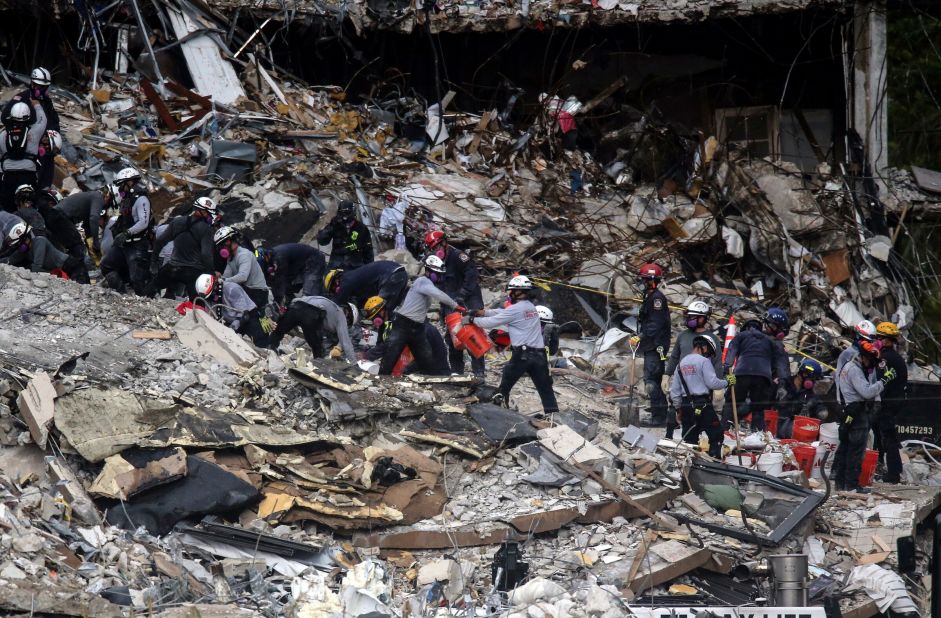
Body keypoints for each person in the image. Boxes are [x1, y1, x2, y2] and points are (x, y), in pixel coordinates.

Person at [467, 275, 559, 416]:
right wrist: (483, 312)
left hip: (522, 355)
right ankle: (554, 418)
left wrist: (472, 319)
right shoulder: (530, 308)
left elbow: (492, 322)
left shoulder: (516, 309)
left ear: (518, 291)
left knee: (505, 386)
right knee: (545, 389)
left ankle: (500, 414)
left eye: (512, 291)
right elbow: (503, 313)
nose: (510, 293)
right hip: (540, 356)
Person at [378, 255, 465, 375]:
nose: (438, 277)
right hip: (403, 324)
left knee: (426, 358)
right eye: (436, 273)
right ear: (428, 271)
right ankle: (381, 380)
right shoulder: (422, 281)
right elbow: (438, 294)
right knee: (391, 355)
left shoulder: (427, 285)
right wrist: (455, 305)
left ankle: (432, 381)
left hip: (417, 327)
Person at [832, 341, 895, 493]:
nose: (872, 366)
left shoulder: (850, 366)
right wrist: (883, 381)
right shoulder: (854, 370)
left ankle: (841, 484)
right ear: (865, 357)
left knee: (846, 448)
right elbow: (866, 392)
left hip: (849, 411)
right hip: (856, 413)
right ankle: (852, 485)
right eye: (872, 362)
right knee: (855, 451)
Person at [425, 230, 486, 377]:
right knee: (453, 338)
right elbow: (439, 284)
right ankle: (457, 371)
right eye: (433, 249)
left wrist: (462, 294)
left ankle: (479, 372)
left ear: (444, 243)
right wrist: (444, 308)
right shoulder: (435, 261)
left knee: (471, 335)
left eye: (438, 247)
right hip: (450, 302)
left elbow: (472, 276)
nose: (436, 251)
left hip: (469, 300)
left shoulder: (459, 256)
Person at [722, 311, 789, 431]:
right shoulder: (772, 342)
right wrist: (782, 385)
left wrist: (728, 375)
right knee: (758, 409)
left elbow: (730, 356)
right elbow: (782, 365)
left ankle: (724, 431)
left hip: (741, 373)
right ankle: (757, 435)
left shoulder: (741, 336)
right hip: (763, 377)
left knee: (731, 403)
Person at [665, 299, 722, 438]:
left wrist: (718, 387)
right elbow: (674, 357)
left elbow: (717, 362)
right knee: (674, 409)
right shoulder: (683, 336)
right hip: (683, 383)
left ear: (703, 318)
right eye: (689, 316)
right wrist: (666, 374)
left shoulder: (711, 338)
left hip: (701, 388)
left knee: (702, 419)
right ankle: (669, 438)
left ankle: (701, 442)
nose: (689, 320)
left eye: (693, 317)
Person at [668, 335, 729, 457]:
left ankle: (690, 464)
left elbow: (674, 391)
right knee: (716, 434)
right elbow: (712, 383)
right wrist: (727, 381)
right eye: (709, 352)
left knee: (689, 439)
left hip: (686, 405)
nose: (708, 356)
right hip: (702, 404)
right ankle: (713, 463)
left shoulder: (680, 364)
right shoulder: (704, 362)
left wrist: (678, 409)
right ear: (704, 347)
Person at [149, 197, 217, 298]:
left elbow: (160, 241)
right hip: (193, 272)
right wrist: (211, 273)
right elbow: (206, 255)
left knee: (149, 292)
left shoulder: (177, 222)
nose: (210, 216)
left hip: (172, 268)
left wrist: (154, 261)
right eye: (209, 213)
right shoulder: (206, 229)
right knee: (197, 303)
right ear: (203, 211)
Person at [2, 68, 58, 190]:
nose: (41, 90)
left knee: (47, 162)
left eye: (44, 87)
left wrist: (51, 137)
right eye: (39, 87)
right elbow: (5, 117)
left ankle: (43, 191)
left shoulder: (47, 102)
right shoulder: (21, 98)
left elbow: (53, 121)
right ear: (32, 84)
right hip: (26, 143)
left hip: (43, 144)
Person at [629, 263, 670, 425]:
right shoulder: (651, 296)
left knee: (652, 381)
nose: (641, 282)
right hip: (651, 344)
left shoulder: (657, 299)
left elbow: (655, 323)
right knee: (652, 379)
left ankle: (659, 417)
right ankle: (658, 413)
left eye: (643, 279)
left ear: (650, 280)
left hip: (656, 345)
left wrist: (640, 336)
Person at [101, 167, 152, 295]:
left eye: (122, 185)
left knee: (137, 280)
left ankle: (148, 303)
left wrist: (127, 233)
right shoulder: (127, 199)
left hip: (137, 245)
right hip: (124, 244)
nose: (120, 188)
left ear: (129, 183)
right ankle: (121, 294)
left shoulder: (141, 199)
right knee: (106, 265)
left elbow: (143, 222)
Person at [268, 296, 358, 361]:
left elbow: (296, 302)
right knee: (317, 347)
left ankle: (268, 352)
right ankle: (318, 368)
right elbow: (346, 343)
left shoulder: (329, 306)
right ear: (349, 317)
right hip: (310, 314)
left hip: (295, 306)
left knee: (278, 331)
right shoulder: (341, 316)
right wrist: (354, 363)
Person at [193, 274, 269, 347]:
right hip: (231, 323)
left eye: (211, 295)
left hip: (248, 318)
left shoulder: (232, 289)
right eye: (208, 298)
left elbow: (244, 315)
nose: (211, 299)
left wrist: (230, 330)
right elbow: (210, 315)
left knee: (259, 343)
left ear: (215, 286)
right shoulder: (209, 299)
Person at [874, 321, 907, 484]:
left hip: (887, 403)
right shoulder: (897, 358)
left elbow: (881, 382)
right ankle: (884, 467)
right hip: (896, 401)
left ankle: (893, 473)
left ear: (886, 340)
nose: (877, 341)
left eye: (879, 338)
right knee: (883, 436)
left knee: (888, 437)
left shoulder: (885, 358)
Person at [0, 99, 46, 212]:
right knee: (29, 210)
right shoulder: (34, 132)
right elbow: (42, 120)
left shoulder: (3, 135)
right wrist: (37, 105)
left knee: (8, 209)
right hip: (28, 177)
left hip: (8, 177)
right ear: (28, 117)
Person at [3, 222, 88, 282]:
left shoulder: (40, 241)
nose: (19, 247)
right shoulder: (24, 250)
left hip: (72, 266)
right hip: (60, 269)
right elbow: (10, 260)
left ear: (27, 238)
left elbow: (37, 269)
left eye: (19, 244)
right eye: (17, 245)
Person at [213, 226, 270, 310]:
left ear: (232, 240)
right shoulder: (230, 258)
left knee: (253, 316)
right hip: (247, 289)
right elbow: (227, 275)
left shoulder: (244, 255)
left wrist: (223, 281)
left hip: (258, 291)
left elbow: (243, 276)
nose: (223, 248)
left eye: (224, 244)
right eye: (220, 246)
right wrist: (218, 280)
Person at [329, 260, 409, 315]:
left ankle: (383, 336)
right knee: (392, 310)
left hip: (391, 276)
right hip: (401, 273)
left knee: (381, 310)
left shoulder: (346, 281)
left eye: (333, 289)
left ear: (336, 281)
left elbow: (336, 303)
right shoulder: (354, 277)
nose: (335, 291)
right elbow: (362, 301)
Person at [56, 185, 117, 258]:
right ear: (108, 196)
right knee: (77, 246)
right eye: (109, 203)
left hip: (58, 217)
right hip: (59, 216)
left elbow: (88, 227)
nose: (106, 206)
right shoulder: (98, 197)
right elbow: (93, 218)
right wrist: (96, 241)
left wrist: (94, 248)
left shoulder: (90, 200)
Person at [256, 243, 326, 305]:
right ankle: (293, 306)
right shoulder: (269, 262)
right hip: (298, 267)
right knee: (286, 291)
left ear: (267, 257)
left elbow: (278, 284)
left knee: (310, 298)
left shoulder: (279, 258)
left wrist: (277, 304)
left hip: (314, 261)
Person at [778, 359, 828, 438]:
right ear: (803, 374)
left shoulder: (809, 392)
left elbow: (817, 402)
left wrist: (821, 410)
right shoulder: (785, 384)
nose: (812, 382)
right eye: (812, 379)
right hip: (780, 422)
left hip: (795, 426)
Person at [317, 200, 373, 270]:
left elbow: (368, 250)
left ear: (353, 213)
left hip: (356, 265)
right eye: (342, 214)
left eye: (348, 213)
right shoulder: (335, 225)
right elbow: (322, 241)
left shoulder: (361, 228)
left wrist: (369, 268)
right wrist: (331, 226)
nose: (345, 217)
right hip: (336, 265)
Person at [835, 320, 876, 406]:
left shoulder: (865, 355)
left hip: (863, 400)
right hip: (851, 404)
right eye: (869, 342)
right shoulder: (848, 355)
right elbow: (840, 381)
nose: (870, 345)